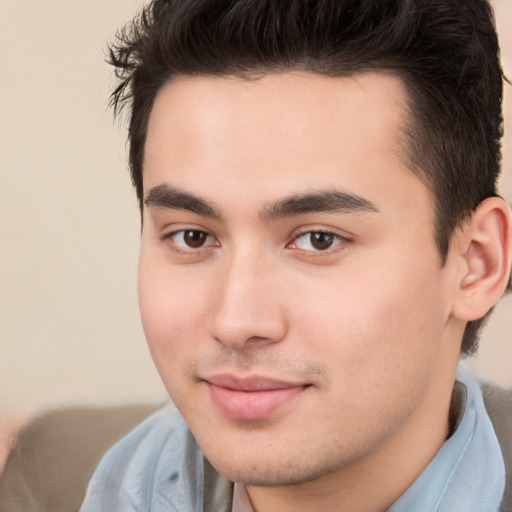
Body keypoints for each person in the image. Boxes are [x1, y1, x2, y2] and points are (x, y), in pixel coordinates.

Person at [80, 0, 512, 510]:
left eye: (318, 240)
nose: (236, 321)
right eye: (192, 237)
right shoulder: (117, 485)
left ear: (475, 264)